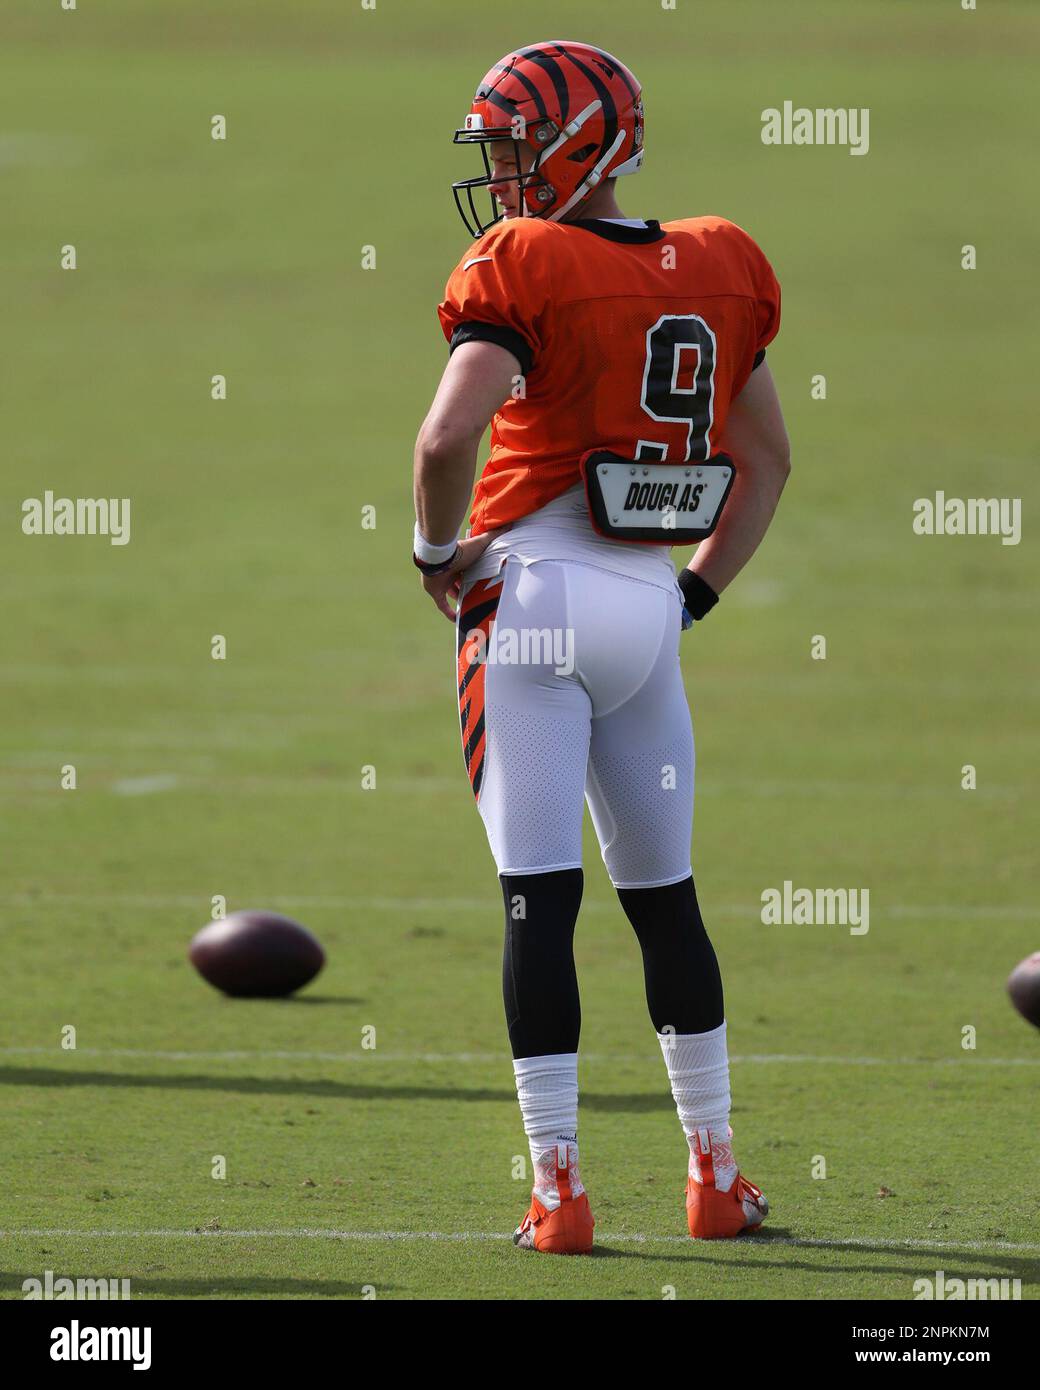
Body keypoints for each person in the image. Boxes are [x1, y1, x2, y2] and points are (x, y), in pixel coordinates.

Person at [412, 40, 791, 1254]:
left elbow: (441, 443)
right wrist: (696, 596)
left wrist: (433, 556)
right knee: (665, 904)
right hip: (643, 612)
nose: (503, 172)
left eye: (516, 145)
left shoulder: (520, 262)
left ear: (581, 139)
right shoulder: (723, 261)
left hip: (527, 599)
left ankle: (560, 1192)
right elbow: (769, 458)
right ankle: (716, 1178)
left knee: (538, 905)